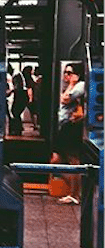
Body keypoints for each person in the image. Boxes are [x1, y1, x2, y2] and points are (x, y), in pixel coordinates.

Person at [50, 62, 86, 204]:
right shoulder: (72, 87)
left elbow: (65, 99)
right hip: (65, 126)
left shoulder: (80, 86)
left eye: (69, 73)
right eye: (65, 72)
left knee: (73, 159)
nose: (66, 75)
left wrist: (72, 83)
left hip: (72, 127)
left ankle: (75, 194)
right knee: (56, 159)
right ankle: (77, 189)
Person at [9, 64, 28, 136]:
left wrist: (10, 91)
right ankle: (18, 129)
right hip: (21, 94)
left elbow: (17, 87)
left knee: (15, 112)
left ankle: (17, 129)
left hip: (20, 95)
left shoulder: (16, 74)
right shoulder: (18, 73)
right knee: (16, 112)